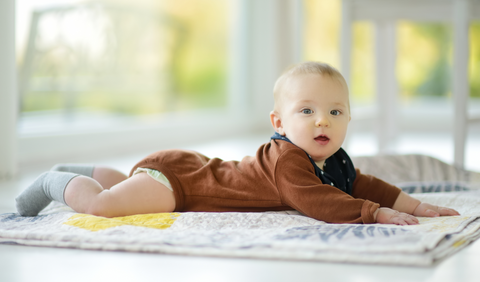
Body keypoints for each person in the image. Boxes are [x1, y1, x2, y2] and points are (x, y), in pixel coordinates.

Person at [15, 61, 460, 225]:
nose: (322, 119)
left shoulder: (334, 158)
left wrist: (414, 205)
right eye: (306, 111)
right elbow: (319, 202)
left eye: (335, 112)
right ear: (279, 122)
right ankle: (55, 181)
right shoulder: (289, 160)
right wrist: (375, 214)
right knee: (104, 207)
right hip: (180, 184)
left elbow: (361, 183)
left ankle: (87, 171)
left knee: (125, 189)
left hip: (183, 170)